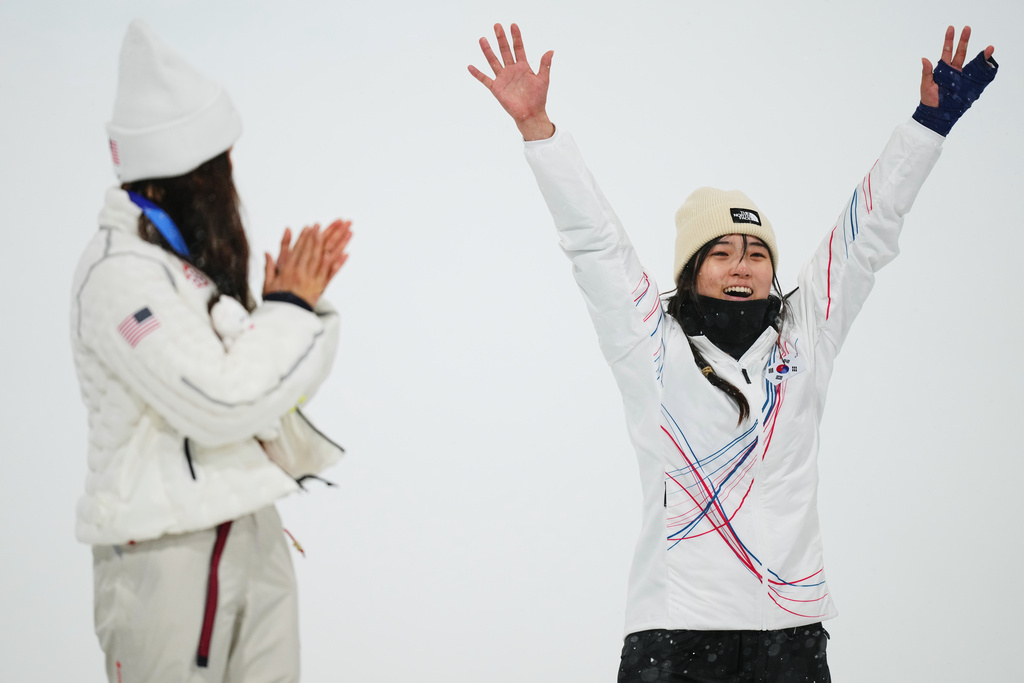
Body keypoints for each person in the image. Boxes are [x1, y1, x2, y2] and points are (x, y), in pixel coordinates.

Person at [469, 22, 997, 683]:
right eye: (720, 253)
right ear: (692, 269)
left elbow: (866, 236)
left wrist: (929, 124)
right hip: (678, 633)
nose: (741, 266)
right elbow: (596, 245)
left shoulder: (806, 335)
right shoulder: (652, 346)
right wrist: (540, 130)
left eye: (756, 254)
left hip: (791, 636)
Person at [69, 19, 352, 683]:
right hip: (165, 552)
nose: (231, 185)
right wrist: (288, 311)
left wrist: (297, 305)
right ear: (179, 177)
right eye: (217, 167)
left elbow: (276, 385)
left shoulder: (185, 275)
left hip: (248, 527)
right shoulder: (120, 276)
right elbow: (224, 400)